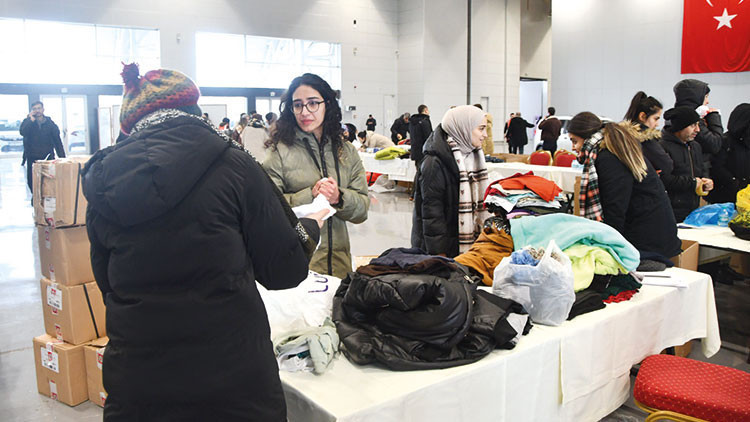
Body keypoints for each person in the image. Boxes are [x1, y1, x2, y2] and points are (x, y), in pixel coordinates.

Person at [82, 63, 326, 420]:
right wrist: (310, 226)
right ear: (194, 110)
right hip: (233, 383)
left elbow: (106, 282)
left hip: (141, 384)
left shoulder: (104, 183)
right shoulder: (235, 165)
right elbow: (283, 270)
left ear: (129, 125)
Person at [263, 73, 370, 278]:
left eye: (312, 103)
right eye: (297, 105)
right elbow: (266, 209)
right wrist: (309, 196)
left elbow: (362, 211)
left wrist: (338, 197)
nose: (304, 112)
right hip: (298, 267)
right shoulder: (278, 152)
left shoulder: (347, 151)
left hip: (340, 267)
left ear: (327, 104)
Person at [568, 112, 681, 259]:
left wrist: (610, 248)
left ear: (587, 137)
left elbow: (615, 208)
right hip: (655, 236)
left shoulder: (608, 158)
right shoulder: (613, 150)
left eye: (575, 141)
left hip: (648, 244)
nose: (573, 147)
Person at [412, 105, 490, 257]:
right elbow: (432, 214)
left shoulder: (473, 156)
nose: (485, 135)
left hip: (461, 246)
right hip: (442, 250)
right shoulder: (434, 163)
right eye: (481, 129)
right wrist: (439, 255)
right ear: (464, 128)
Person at [659, 106, 714, 222]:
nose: (697, 130)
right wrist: (693, 182)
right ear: (680, 126)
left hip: (693, 210)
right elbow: (664, 179)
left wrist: (706, 181)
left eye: (698, 125)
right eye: (693, 125)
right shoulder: (662, 147)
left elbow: (701, 170)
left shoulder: (695, 146)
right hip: (670, 212)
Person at [673, 79, 723, 173]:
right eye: (706, 97)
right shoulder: (688, 119)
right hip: (694, 172)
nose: (707, 101)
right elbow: (714, 144)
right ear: (696, 98)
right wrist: (714, 117)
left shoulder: (676, 116)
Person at [19, 101, 66, 194]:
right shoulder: (27, 122)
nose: (37, 111)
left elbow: (57, 141)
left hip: (48, 157)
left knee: (48, 180)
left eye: (39, 108)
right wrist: (30, 120)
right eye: (34, 109)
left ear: (43, 109)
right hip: (32, 157)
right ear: (32, 111)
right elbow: (23, 132)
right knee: (32, 180)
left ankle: (46, 196)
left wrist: (62, 158)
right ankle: (35, 197)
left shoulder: (50, 124)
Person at [708, 103, 750, 204]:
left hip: (744, 198)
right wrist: (735, 182)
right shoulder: (725, 141)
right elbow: (716, 167)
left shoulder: (747, 142)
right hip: (724, 198)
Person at [623, 91, 673, 174]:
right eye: (655, 119)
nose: (657, 124)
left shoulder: (622, 136)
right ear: (642, 116)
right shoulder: (645, 139)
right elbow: (666, 165)